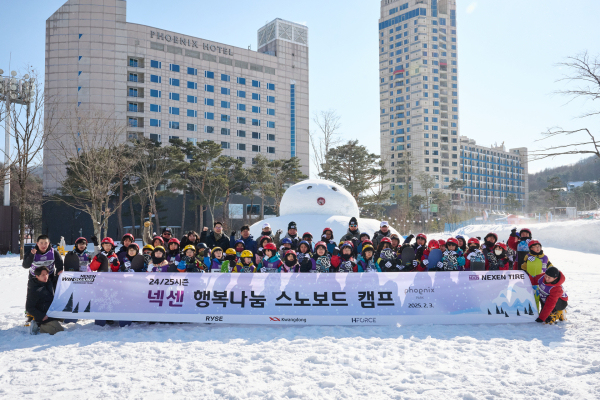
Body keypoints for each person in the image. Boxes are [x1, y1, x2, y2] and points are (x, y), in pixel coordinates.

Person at [26, 266, 64, 335]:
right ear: (37, 276)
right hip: (44, 316)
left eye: (47, 274)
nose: (46, 276)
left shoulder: (48, 283)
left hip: (51, 313)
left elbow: (55, 280)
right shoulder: (34, 290)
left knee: (67, 317)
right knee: (59, 331)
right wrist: (42, 316)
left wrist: (59, 275)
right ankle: (39, 326)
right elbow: (29, 307)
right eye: (43, 275)